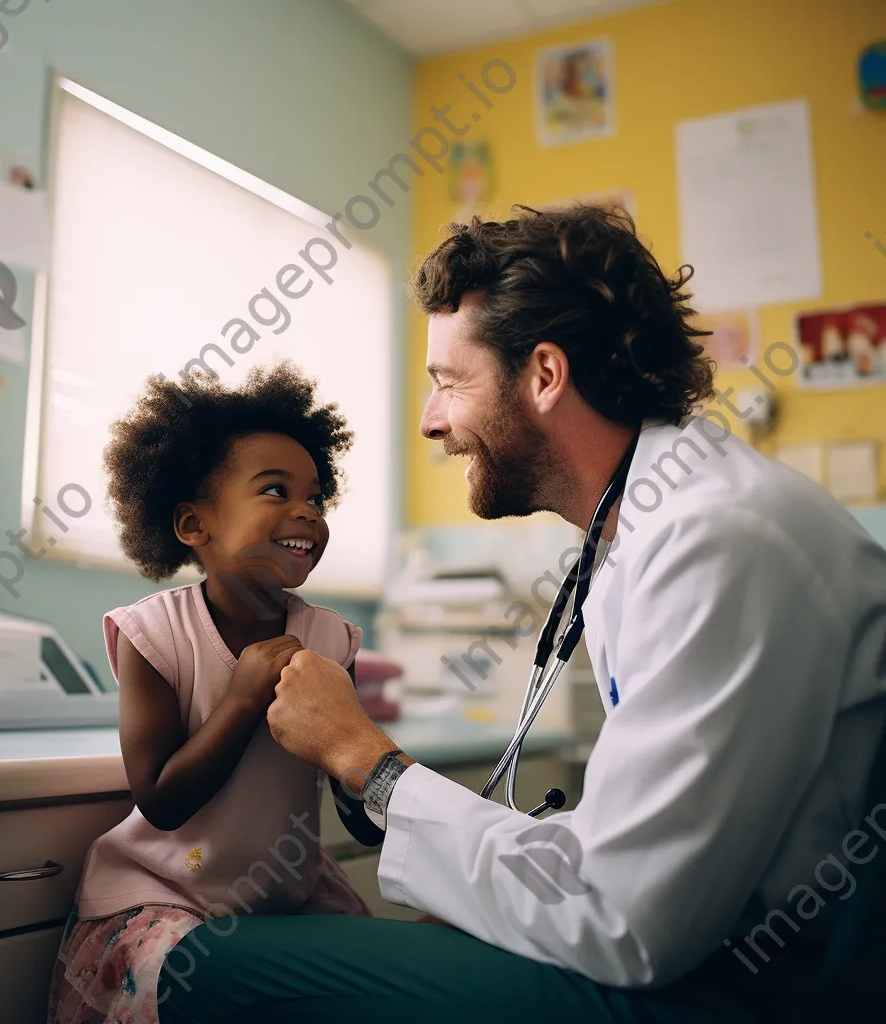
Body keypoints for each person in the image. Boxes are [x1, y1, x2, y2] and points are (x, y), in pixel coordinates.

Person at [158, 206, 886, 1022]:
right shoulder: (654, 528)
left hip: (765, 988)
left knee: (212, 966)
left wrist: (366, 758)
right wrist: (476, 891)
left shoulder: (717, 540)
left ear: (544, 376)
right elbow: (626, 851)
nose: (432, 422)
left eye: (448, 381)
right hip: (716, 945)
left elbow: (625, 918)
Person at [47, 362, 374, 1024]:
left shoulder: (333, 639)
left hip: (282, 890)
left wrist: (363, 771)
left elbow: (354, 801)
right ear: (196, 525)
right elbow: (161, 800)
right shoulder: (155, 634)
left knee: (373, 974)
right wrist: (244, 697)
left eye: (315, 496)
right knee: (179, 985)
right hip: (164, 893)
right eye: (275, 490)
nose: (306, 511)